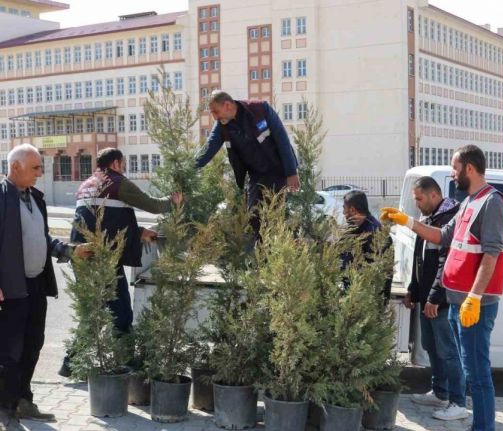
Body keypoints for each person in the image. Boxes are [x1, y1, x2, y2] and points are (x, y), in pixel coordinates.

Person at [382, 145, 503, 431]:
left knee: (477, 372)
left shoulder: (492, 202)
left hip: (474, 304)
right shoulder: (468, 203)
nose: (452, 175)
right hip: (457, 301)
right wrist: (407, 222)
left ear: (470, 169)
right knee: (468, 368)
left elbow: (492, 254)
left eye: (455, 168)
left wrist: (474, 297)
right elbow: (442, 235)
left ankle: (483, 427)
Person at [59, 148, 182, 377]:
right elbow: (153, 205)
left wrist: (139, 232)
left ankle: (70, 363)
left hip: (81, 254)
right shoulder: (117, 182)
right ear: (116, 163)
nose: (123, 168)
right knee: (121, 309)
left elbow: (105, 220)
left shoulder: (86, 184)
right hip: (103, 257)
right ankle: (125, 360)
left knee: (91, 309)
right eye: (123, 164)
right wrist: (173, 201)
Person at [0, 144, 91, 430]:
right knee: (9, 351)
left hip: (35, 284)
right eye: (36, 168)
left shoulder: (34, 198)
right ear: (15, 167)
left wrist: (67, 250)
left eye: (41, 167)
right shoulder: (2, 197)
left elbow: (42, 237)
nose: (41, 173)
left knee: (33, 344)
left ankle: (24, 400)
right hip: (11, 287)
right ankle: (5, 408)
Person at [404, 176, 467, 421]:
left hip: (440, 300)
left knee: (449, 351)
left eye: (419, 199)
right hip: (426, 298)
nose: (417, 204)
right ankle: (440, 392)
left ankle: (458, 402)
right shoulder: (427, 219)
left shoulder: (450, 219)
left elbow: (446, 264)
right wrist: (413, 287)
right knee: (431, 347)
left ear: (433, 195)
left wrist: (434, 298)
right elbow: (419, 258)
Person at [195, 90, 300, 213]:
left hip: (278, 171)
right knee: (253, 217)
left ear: (227, 105)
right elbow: (209, 147)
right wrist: (188, 168)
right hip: (256, 176)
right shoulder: (222, 126)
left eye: (216, 112)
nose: (215, 117)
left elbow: (282, 140)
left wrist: (291, 172)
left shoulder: (260, 109)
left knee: (276, 217)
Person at [340, 190, 392, 299]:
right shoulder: (352, 228)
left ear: (352, 210)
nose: (343, 213)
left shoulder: (375, 233)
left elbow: (377, 273)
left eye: (344, 208)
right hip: (352, 296)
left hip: (368, 300)